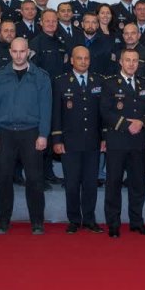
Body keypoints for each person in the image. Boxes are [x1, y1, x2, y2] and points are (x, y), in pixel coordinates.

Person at [0, 38, 52, 235]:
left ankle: (37, 222)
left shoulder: (41, 76)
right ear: (10, 52)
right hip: (4, 133)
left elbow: (46, 108)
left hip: (31, 132)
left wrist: (43, 134)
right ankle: (3, 222)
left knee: (35, 179)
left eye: (22, 51)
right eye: (15, 51)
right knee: (3, 179)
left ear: (28, 52)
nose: (19, 55)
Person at [100, 49, 145, 237]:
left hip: (139, 143)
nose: (131, 64)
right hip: (117, 142)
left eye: (135, 61)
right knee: (113, 184)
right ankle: (113, 224)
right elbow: (105, 111)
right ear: (121, 62)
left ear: (139, 63)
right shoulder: (109, 84)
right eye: (128, 60)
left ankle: (136, 222)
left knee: (138, 184)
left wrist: (142, 122)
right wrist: (126, 125)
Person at [51, 46, 104, 234]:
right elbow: (56, 113)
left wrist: (104, 137)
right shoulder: (61, 82)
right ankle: (74, 219)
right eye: (79, 58)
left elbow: (103, 113)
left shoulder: (99, 81)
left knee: (90, 183)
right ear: (72, 60)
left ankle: (89, 219)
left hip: (93, 141)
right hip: (70, 142)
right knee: (72, 183)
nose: (83, 61)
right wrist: (57, 139)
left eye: (86, 58)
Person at [29, 9, 71, 79]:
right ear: (41, 23)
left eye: (54, 21)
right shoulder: (35, 43)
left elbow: (66, 66)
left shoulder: (62, 43)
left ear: (57, 23)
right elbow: (33, 69)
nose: (51, 24)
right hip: (43, 83)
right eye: (47, 21)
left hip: (61, 83)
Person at [80, 12, 115, 76]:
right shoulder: (74, 40)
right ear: (82, 24)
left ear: (98, 25)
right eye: (87, 22)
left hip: (99, 78)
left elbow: (109, 66)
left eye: (93, 22)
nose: (90, 25)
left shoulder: (107, 42)